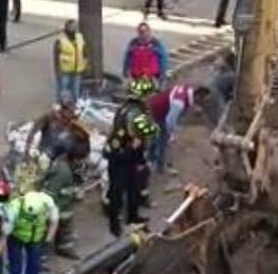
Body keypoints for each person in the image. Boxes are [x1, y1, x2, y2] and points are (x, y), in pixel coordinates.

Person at [24, 97, 92, 259]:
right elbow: (34, 131)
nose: (71, 113)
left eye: (72, 110)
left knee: (65, 212)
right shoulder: (50, 118)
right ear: (62, 109)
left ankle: (63, 245)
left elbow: (82, 146)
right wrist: (28, 152)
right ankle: (40, 252)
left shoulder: (75, 127)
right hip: (48, 162)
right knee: (48, 210)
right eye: (68, 109)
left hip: (63, 163)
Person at [102, 78, 158, 237]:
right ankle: (115, 225)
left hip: (126, 155)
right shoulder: (135, 113)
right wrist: (139, 157)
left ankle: (132, 217)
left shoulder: (129, 108)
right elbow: (139, 140)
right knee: (117, 192)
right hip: (120, 156)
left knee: (133, 188)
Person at [5, 186, 58, 274]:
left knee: (35, 266)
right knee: (15, 267)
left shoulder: (47, 202)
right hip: (16, 237)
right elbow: (6, 230)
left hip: (35, 239)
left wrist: (49, 239)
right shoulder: (14, 207)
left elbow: (54, 220)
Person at [147, 83, 210, 175]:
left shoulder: (188, 90)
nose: (202, 102)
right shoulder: (179, 103)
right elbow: (170, 121)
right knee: (163, 139)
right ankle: (161, 166)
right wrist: (172, 134)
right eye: (202, 99)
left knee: (157, 135)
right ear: (197, 95)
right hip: (158, 110)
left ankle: (150, 158)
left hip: (156, 104)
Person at [52, 19, 88, 101]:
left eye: (75, 27)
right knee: (62, 92)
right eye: (72, 27)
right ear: (66, 28)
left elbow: (84, 52)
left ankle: (74, 107)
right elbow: (56, 56)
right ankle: (60, 106)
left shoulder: (80, 37)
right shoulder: (60, 40)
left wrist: (85, 64)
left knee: (75, 92)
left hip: (77, 70)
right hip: (64, 71)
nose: (74, 29)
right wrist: (57, 71)